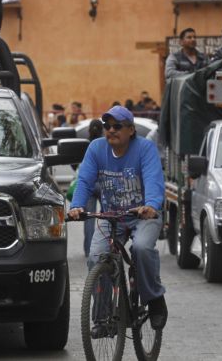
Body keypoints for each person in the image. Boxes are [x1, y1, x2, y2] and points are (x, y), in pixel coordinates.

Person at [68, 106, 168, 333]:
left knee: (142, 248)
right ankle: (103, 318)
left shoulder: (145, 149)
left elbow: (154, 180)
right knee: (96, 258)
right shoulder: (96, 149)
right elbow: (84, 181)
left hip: (142, 216)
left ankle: (155, 299)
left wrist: (152, 205)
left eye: (117, 126)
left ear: (131, 130)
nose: (111, 130)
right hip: (111, 215)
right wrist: (77, 207)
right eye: (107, 126)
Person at [83, 119, 104, 257]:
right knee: (107, 217)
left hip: (89, 185)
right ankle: (104, 245)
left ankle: (89, 249)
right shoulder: (105, 144)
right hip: (104, 185)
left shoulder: (86, 144)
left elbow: (76, 164)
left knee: (89, 218)